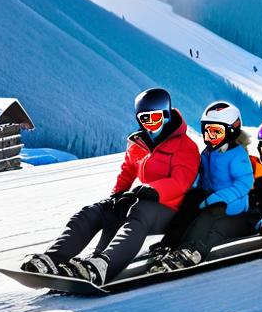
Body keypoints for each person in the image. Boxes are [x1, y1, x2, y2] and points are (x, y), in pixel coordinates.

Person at [19, 87, 200, 284]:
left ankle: (105, 264)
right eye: (145, 119)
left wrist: (153, 190)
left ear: (166, 114)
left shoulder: (185, 146)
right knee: (94, 211)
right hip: (145, 200)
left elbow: (181, 182)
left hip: (173, 209)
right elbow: (128, 171)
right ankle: (53, 258)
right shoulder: (138, 143)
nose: (150, 125)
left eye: (155, 118)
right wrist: (118, 195)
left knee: (139, 212)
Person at [148, 101, 254, 271]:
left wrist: (218, 198)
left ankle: (191, 250)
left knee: (209, 213)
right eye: (207, 131)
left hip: (234, 201)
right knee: (190, 201)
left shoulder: (237, 155)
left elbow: (244, 184)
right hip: (210, 194)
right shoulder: (208, 152)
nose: (210, 137)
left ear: (231, 130)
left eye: (216, 132)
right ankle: (170, 243)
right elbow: (201, 176)